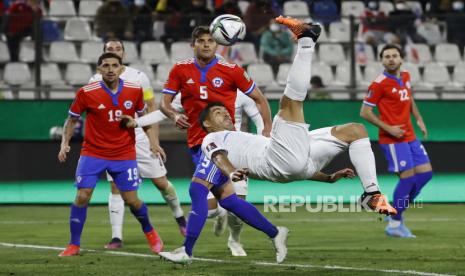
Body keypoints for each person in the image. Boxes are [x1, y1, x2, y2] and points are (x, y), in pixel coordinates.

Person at [151, 16, 397, 265]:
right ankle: (306, 41)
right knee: (290, 103)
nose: (226, 113)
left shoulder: (237, 130)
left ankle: (372, 193)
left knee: (355, 131)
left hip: (295, 162)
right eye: (218, 113)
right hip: (279, 159)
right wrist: (233, 172)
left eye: (226, 112)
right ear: (206, 124)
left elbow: (300, 168)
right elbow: (218, 157)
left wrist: (328, 178)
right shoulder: (212, 138)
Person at [160, 25, 273, 257]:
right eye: (201, 41)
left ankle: (186, 252)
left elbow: (260, 99)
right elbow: (165, 103)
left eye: (210, 40)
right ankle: (275, 232)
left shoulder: (231, 70)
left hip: (222, 143)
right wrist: (174, 115)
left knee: (197, 191)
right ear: (193, 45)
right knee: (228, 202)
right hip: (195, 142)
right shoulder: (180, 70)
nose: (206, 44)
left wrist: (267, 128)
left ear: (218, 44)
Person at [57, 53, 163, 257]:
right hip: (93, 152)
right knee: (82, 196)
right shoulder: (86, 92)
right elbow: (72, 120)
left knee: (132, 200)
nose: (111, 69)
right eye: (106, 65)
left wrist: (153, 142)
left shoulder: (134, 91)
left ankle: (150, 232)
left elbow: (144, 119)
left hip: (124, 153)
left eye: (115, 65)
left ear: (121, 68)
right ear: (99, 70)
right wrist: (65, 143)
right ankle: (74, 244)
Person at [89, 39, 186, 249]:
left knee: (161, 183)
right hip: (113, 143)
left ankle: (179, 217)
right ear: (103, 55)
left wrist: (154, 141)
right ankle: (116, 237)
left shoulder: (139, 77)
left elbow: (151, 108)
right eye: (109, 50)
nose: (113, 52)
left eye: (117, 49)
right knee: (115, 187)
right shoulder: (94, 80)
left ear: (123, 53)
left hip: (140, 138)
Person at [360, 44, 433, 238]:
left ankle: (394, 211)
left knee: (425, 175)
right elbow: (365, 112)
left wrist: (419, 119)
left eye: (394, 55)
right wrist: (389, 128)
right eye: (386, 56)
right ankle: (394, 224)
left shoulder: (406, 76)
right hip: (392, 139)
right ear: (381, 61)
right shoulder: (379, 84)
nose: (391, 59)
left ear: (401, 59)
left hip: (410, 135)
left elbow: (409, 99)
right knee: (407, 179)